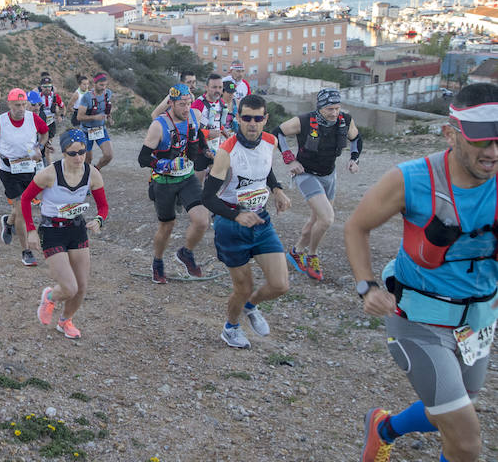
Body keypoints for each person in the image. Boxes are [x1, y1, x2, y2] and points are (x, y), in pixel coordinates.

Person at [345, 83, 498, 462]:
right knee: (465, 440)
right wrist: (367, 287)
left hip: (478, 320)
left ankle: (384, 427)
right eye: (481, 141)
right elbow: (356, 227)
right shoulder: (413, 179)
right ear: (450, 134)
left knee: (454, 409)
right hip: (419, 320)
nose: (493, 152)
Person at [202, 94, 291, 349]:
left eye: (258, 118)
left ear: (265, 119)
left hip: (261, 218)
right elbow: (207, 197)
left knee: (280, 284)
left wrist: (277, 189)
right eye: (247, 118)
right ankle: (231, 328)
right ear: (238, 118)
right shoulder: (226, 152)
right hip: (231, 224)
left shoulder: (271, 141)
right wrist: (236, 215)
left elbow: (265, 169)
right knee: (242, 288)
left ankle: (251, 307)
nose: (252, 123)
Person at [21, 129, 109, 339]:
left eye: (82, 152)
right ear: (63, 153)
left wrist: (99, 220)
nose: (78, 157)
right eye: (72, 153)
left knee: (81, 287)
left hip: (77, 229)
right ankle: (50, 296)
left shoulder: (92, 173)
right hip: (52, 230)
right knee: (69, 287)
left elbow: (103, 206)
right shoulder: (49, 173)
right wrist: (31, 231)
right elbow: (25, 199)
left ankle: (65, 321)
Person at [273, 88, 361, 281]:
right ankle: (312, 256)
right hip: (306, 174)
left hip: (329, 175)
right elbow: (277, 132)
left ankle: (296, 252)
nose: (334, 113)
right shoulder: (304, 121)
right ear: (320, 107)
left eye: (337, 108)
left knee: (316, 220)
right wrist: (289, 159)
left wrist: (355, 159)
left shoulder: (345, 120)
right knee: (328, 218)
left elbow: (356, 138)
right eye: (330, 108)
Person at [138, 84, 212, 283]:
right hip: (164, 182)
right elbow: (143, 158)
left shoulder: (194, 115)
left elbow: (197, 136)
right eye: (181, 104)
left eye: (188, 103)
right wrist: (166, 164)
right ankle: (158, 261)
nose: (186, 108)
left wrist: (206, 151)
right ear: (170, 103)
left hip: (187, 177)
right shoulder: (158, 125)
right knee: (167, 225)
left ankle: (186, 253)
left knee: (202, 220)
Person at [0, 88, 50, 266]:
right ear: (9, 104)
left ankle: (8, 221)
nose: (21, 108)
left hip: (28, 167)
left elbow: (44, 134)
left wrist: (39, 147)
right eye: (17, 105)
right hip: (8, 169)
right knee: (21, 208)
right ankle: (26, 251)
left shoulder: (33, 118)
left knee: (24, 205)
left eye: (24, 105)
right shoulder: (1, 121)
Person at [76, 73, 113, 170]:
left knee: (109, 155)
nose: (103, 87)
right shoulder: (86, 97)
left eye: (105, 85)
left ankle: (96, 169)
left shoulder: (108, 93)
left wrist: (109, 118)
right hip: (86, 131)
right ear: (95, 84)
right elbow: (79, 117)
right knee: (87, 159)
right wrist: (94, 117)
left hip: (100, 129)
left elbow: (106, 109)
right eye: (101, 85)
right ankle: (85, 176)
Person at [38, 76, 64, 164]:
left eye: (49, 86)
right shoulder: (38, 97)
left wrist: (61, 115)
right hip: (39, 125)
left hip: (51, 124)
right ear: (41, 87)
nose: (47, 88)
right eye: (44, 86)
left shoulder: (55, 97)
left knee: (47, 149)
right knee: (39, 148)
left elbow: (63, 107)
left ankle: (49, 169)